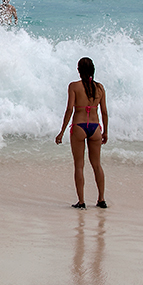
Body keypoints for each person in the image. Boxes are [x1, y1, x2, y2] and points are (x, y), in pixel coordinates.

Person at [55, 57, 108, 209]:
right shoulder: (100, 88)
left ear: (78, 70)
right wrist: (106, 132)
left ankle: (82, 202)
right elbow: (104, 111)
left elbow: (69, 109)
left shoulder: (74, 86)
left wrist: (61, 132)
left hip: (79, 127)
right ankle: (101, 200)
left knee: (79, 165)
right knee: (97, 165)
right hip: (95, 128)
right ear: (93, 70)